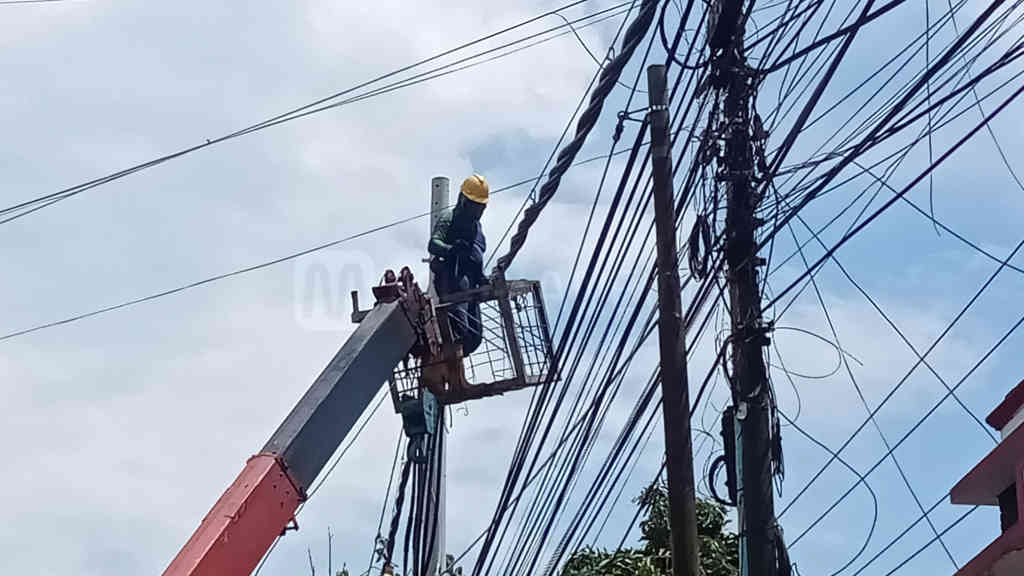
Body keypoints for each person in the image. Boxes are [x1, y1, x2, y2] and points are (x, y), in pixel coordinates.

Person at [428, 174, 489, 357]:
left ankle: (455, 363)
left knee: (475, 336)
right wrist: (451, 249)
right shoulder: (449, 218)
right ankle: (446, 362)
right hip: (452, 282)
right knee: (461, 330)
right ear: (463, 200)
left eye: (481, 207)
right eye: (475, 206)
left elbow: (477, 256)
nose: (478, 211)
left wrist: (482, 279)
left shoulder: (476, 227)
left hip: (471, 285)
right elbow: (433, 244)